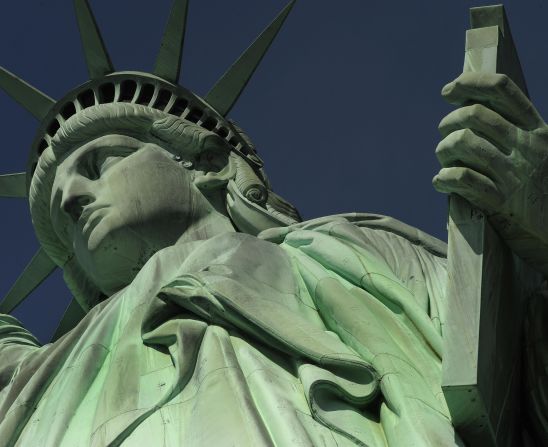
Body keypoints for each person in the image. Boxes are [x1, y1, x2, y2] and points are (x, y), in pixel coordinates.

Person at [0, 1, 546, 446]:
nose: (71, 197)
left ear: (207, 162)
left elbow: (522, 385)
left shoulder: (355, 253)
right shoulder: (32, 380)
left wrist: (538, 221)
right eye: (56, 212)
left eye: (102, 161)